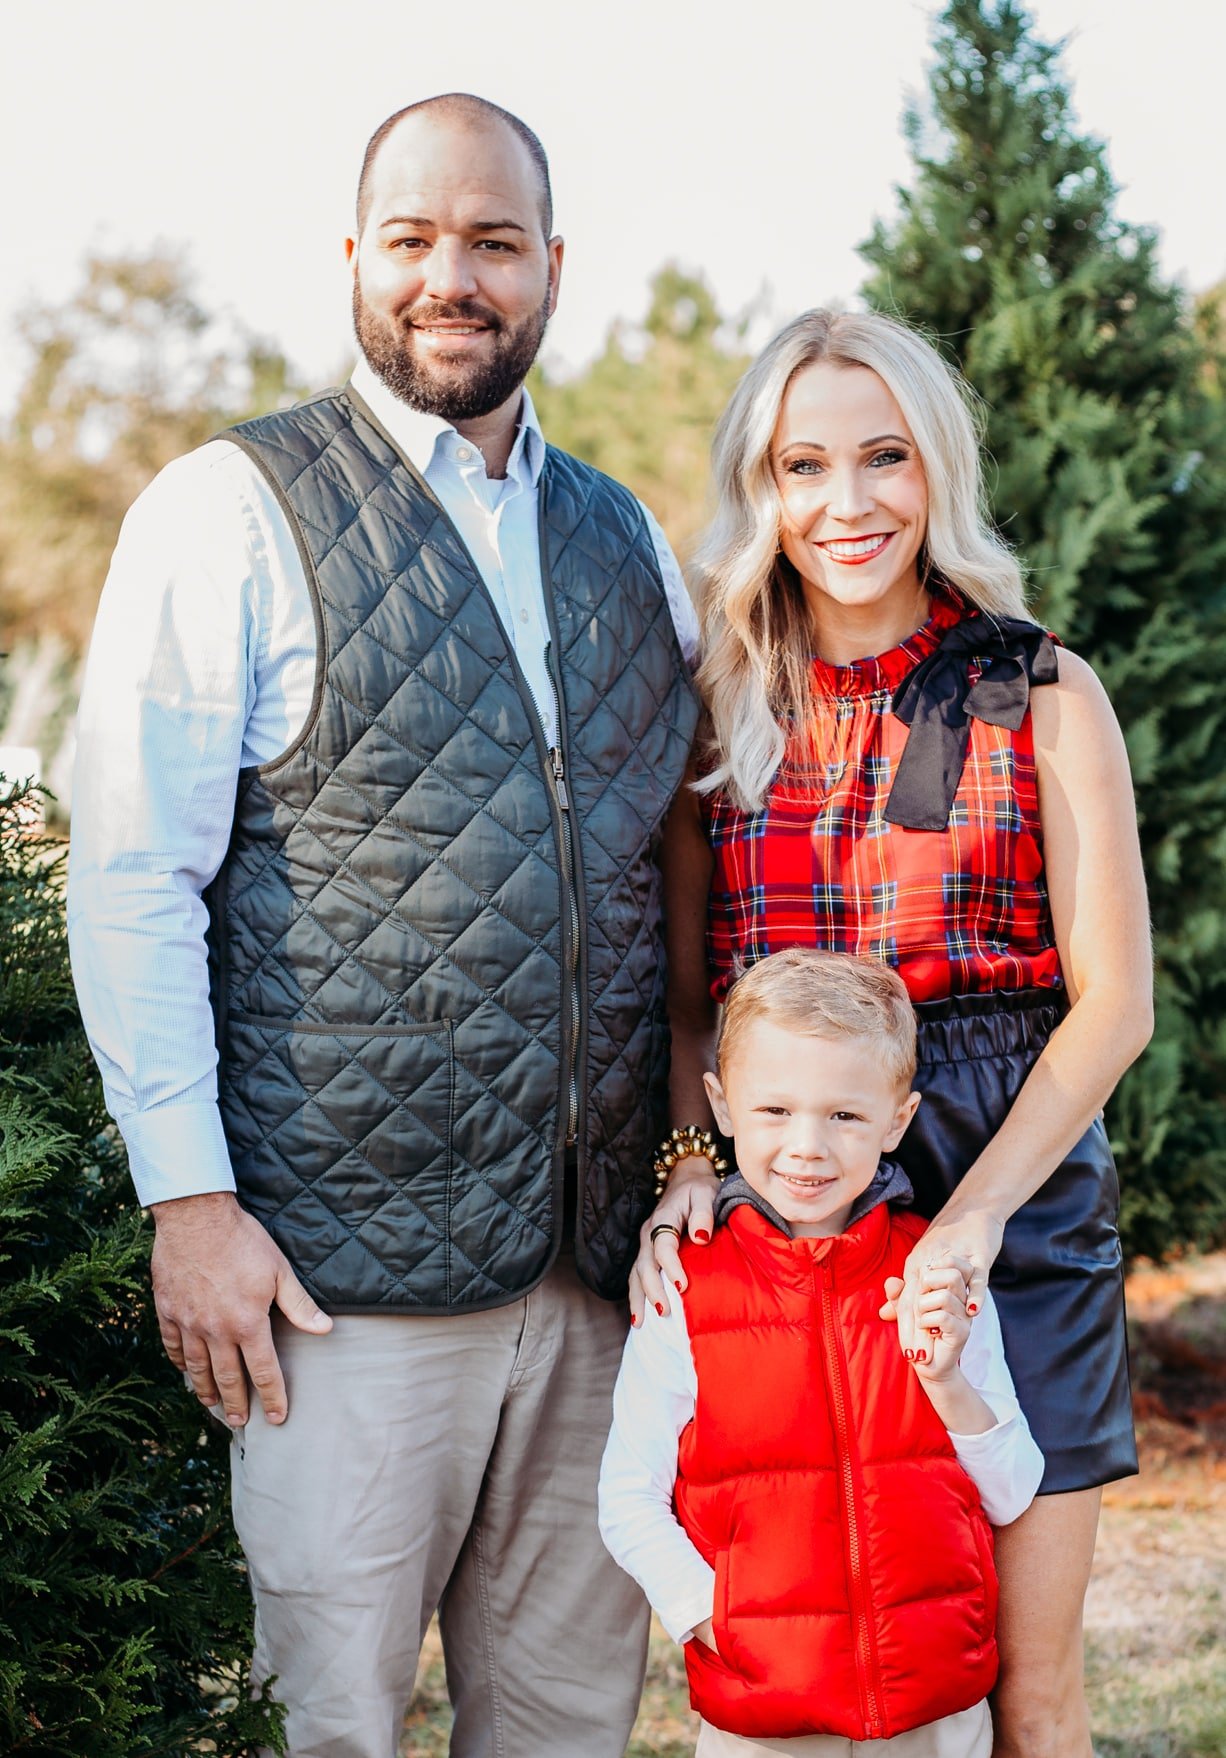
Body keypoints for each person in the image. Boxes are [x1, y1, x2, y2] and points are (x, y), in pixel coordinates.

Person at [67, 93, 700, 1758]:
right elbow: (133, 875)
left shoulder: (627, 536)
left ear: (551, 268)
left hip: (596, 1281)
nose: (453, 276)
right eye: (414, 237)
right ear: (356, 256)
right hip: (333, 1292)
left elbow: (674, 860)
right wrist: (188, 1200)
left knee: (565, 1724)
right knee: (332, 1726)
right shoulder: (227, 509)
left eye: (493, 241)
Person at [632, 309, 1152, 1758]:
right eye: (802, 465)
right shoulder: (714, 703)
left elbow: (1115, 1000)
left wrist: (972, 1219)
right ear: (761, 487)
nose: (844, 502)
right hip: (789, 1197)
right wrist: (691, 1160)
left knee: (1024, 1697)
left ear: (936, 468)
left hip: (1009, 1187)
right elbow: (689, 1000)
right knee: (814, 1685)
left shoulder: (1036, 689)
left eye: (883, 457)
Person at [601, 948, 1044, 1758]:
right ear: (723, 1107)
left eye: (844, 1116)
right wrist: (715, 1618)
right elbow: (627, 1497)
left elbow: (1013, 1493)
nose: (807, 1147)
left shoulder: (936, 1274)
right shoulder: (684, 1290)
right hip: (764, 1714)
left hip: (935, 1710)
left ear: (897, 1121)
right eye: (774, 1111)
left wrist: (946, 1382)